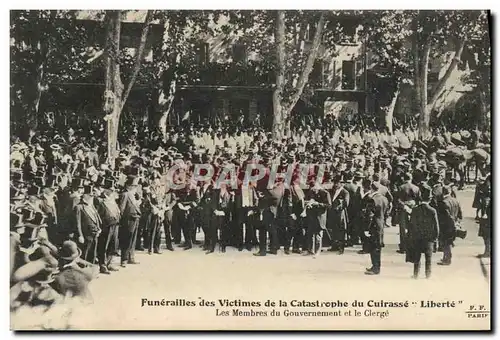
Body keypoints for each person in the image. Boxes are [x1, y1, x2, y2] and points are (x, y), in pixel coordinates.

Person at [406, 186, 439, 279]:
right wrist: (435, 238)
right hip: (429, 239)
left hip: (417, 238)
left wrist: (410, 237)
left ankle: (416, 274)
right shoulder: (433, 211)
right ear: (430, 199)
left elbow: (411, 225)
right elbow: (436, 227)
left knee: (417, 258)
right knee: (428, 258)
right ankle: (428, 274)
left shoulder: (415, 210)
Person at [365, 182, 388, 275]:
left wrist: (367, 228)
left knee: (373, 247)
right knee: (378, 246)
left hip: (374, 225)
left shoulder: (372, 199)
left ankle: (375, 268)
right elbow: (387, 211)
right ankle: (375, 266)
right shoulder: (384, 198)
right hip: (381, 224)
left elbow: (369, 215)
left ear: (371, 188)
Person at [437, 186, 462, 266]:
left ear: (443, 192)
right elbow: (460, 214)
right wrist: (457, 222)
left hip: (446, 225)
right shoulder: (455, 200)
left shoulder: (443, 202)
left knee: (445, 243)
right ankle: (446, 257)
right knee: (449, 242)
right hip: (453, 224)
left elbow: (445, 216)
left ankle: (447, 259)